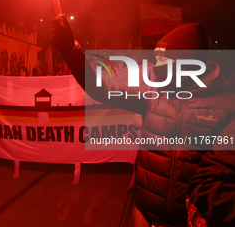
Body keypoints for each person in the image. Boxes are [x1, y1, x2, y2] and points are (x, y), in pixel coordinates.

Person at [51, 15, 235, 226]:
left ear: (186, 64)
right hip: (143, 215)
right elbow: (100, 88)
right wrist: (70, 49)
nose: (155, 66)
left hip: (185, 221)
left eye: (162, 60)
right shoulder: (152, 93)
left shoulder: (227, 107)